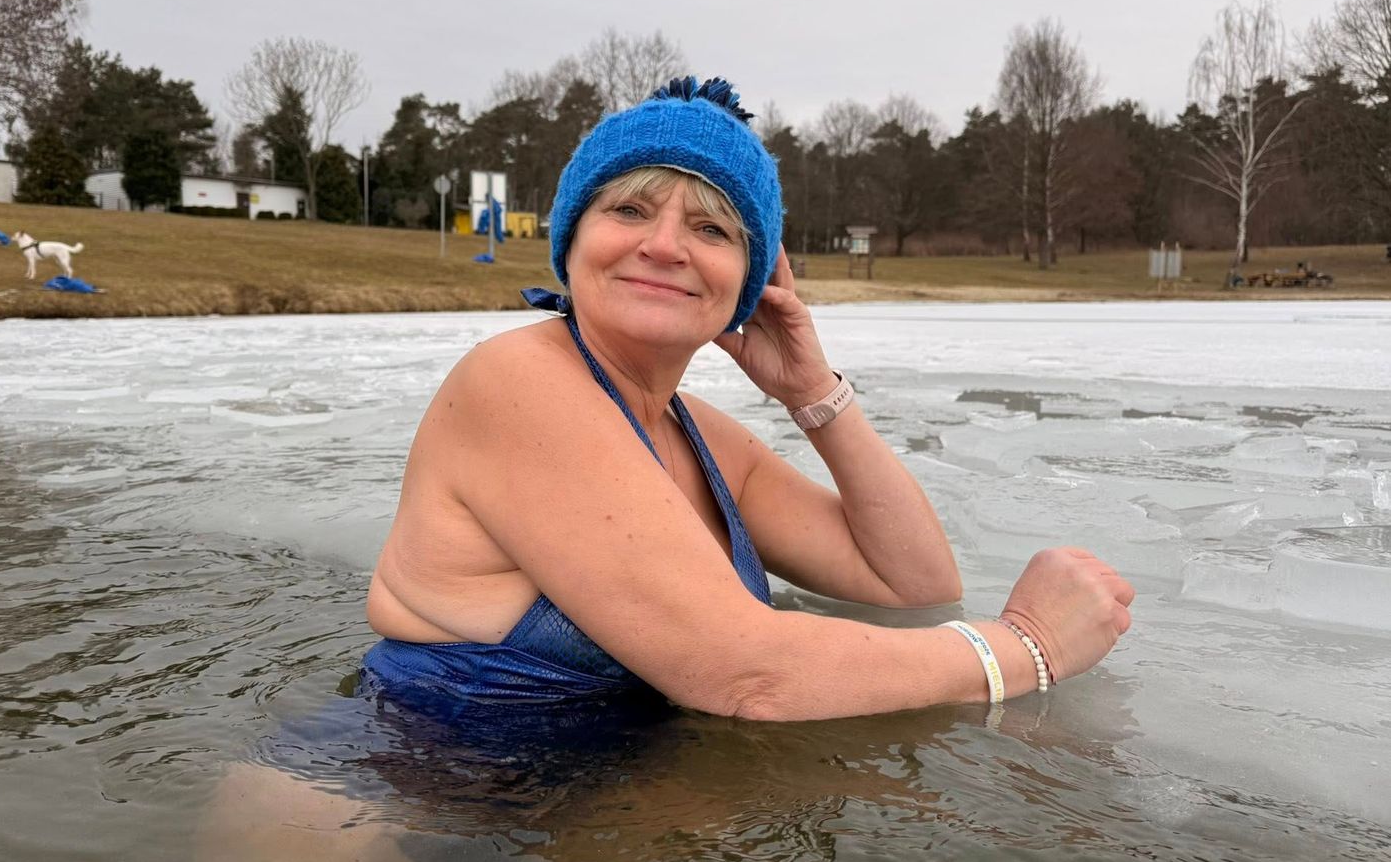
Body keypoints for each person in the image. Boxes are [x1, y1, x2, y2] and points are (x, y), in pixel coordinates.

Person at [360, 76, 1134, 721]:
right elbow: (749, 675)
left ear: (749, 280)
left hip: (568, 827)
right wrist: (1027, 647)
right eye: (628, 210)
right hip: (398, 816)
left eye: (712, 229)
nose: (664, 246)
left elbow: (912, 587)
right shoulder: (517, 383)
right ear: (572, 240)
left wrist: (813, 392)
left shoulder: (700, 439)